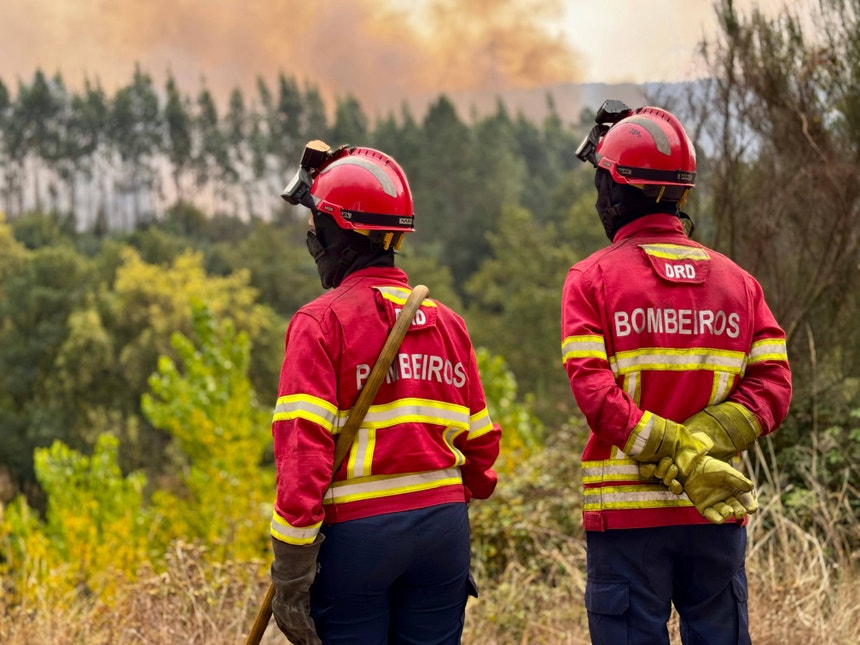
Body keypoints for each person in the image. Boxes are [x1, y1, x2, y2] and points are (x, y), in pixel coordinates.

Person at [561, 101, 792, 644]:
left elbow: (594, 392)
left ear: (616, 190)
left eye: (601, 181)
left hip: (626, 525)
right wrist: (702, 448)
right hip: (714, 517)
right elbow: (774, 387)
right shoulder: (739, 283)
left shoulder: (591, 280)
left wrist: (677, 450)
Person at [269, 140, 502, 644]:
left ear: (339, 234)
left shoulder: (319, 323)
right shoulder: (448, 324)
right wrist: (450, 509)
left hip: (359, 540)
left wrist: (290, 568)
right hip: (443, 532)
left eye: (317, 229)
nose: (314, 242)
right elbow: (481, 447)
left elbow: (302, 454)